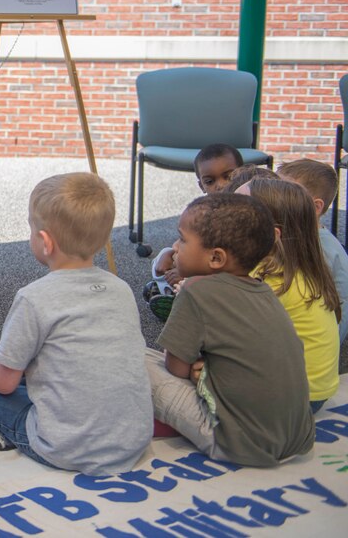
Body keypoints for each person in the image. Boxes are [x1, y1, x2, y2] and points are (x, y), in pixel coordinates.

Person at [0, 173, 152, 475]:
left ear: (45, 242)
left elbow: (2, 383)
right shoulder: (121, 288)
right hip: (133, 439)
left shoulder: (34, 298)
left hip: (63, 447)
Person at [144, 193, 315, 465]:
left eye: (183, 239)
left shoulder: (196, 290)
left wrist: (191, 368)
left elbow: (175, 368)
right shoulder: (262, 288)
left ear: (216, 258)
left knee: (134, 358)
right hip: (298, 437)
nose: (175, 247)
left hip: (238, 442)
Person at [242, 178, 341, 412]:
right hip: (315, 393)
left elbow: (231, 337)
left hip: (290, 399)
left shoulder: (267, 276)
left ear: (271, 233)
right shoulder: (299, 269)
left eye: (235, 208)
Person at [145, 144, 243, 316]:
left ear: (242, 173)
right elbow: (182, 244)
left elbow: (234, 263)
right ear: (201, 186)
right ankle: (170, 295)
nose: (220, 185)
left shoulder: (248, 214)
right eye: (210, 181)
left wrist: (188, 275)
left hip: (228, 279)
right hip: (202, 271)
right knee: (163, 272)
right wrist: (167, 256)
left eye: (228, 177)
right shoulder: (202, 212)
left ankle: (181, 304)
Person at [277, 158, 348, 345]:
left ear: (316, 207)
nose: (277, 199)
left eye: (287, 194)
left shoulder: (320, 247)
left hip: (317, 342)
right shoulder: (304, 234)